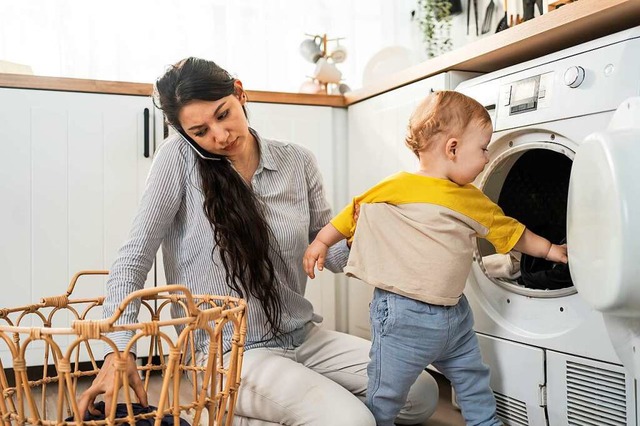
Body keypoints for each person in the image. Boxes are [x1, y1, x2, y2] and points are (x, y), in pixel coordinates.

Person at [76, 57, 439, 425]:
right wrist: (117, 352)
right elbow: (133, 258)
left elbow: (327, 251)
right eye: (200, 131)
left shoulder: (297, 162)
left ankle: (269, 412)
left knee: (420, 393)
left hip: (302, 336)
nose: (219, 136)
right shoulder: (178, 160)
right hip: (227, 353)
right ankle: (243, 411)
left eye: (223, 114)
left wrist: (375, 238)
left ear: (239, 93)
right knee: (353, 421)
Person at [303, 90, 568, 426]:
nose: (487, 159)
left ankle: (485, 423)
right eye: (483, 148)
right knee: (387, 392)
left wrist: (549, 250)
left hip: (455, 317)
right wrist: (321, 242)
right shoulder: (396, 185)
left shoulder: (472, 199)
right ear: (453, 148)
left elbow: (513, 232)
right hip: (401, 318)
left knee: (473, 381)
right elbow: (351, 215)